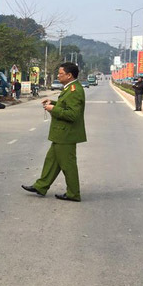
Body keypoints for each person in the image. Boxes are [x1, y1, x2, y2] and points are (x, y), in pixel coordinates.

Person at [21, 62, 86, 202]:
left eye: (60, 74)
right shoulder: (69, 88)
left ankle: (73, 193)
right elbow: (65, 106)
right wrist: (53, 103)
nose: (58, 76)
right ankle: (41, 186)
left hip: (66, 135)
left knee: (68, 165)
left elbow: (73, 115)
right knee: (51, 161)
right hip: (60, 134)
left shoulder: (75, 90)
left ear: (69, 75)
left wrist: (53, 109)